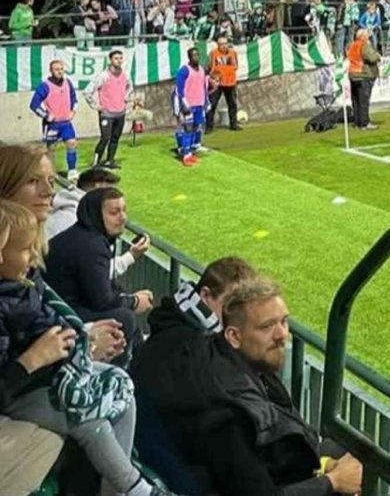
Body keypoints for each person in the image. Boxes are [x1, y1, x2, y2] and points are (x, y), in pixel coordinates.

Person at [0, 202, 165, 496]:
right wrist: (33, 359)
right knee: (87, 416)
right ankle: (134, 487)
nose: (35, 256)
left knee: (120, 384)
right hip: (22, 389)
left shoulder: (24, 283)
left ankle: (117, 490)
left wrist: (75, 341)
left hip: (48, 373)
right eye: (26, 249)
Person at [167, 277, 364, 496]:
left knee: (342, 453)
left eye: (284, 321)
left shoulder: (232, 361)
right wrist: (332, 481)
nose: (282, 335)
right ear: (234, 336)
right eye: (267, 326)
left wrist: (322, 464)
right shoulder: (229, 413)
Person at [131, 256, 257, 493]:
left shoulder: (173, 327)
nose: (237, 317)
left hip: (153, 450)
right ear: (206, 296)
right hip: (172, 466)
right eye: (231, 306)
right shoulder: (192, 348)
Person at [0, 146, 127, 366]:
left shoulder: (31, 258)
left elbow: (41, 323)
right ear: (6, 188)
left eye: (50, 181)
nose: (48, 191)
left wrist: (83, 337)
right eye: (33, 181)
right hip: (25, 388)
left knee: (119, 325)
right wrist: (79, 351)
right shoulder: (11, 267)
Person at [44, 188, 153, 352]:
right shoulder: (92, 245)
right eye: (114, 212)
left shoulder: (83, 235)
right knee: (124, 318)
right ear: (96, 214)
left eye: (124, 210)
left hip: (55, 307)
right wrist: (135, 301)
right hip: (58, 316)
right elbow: (102, 301)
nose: (123, 217)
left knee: (118, 292)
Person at [29, 59, 82, 178]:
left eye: (62, 69)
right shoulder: (45, 86)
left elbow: (74, 99)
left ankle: (72, 171)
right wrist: (46, 115)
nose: (60, 72)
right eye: (57, 69)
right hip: (52, 124)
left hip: (66, 123)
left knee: (72, 143)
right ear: (51, 71)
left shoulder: (68, 83)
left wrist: (73, 111)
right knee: (51, 149)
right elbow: (34, 104)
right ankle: (51, 172)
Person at [88, 49, 133, 168]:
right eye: (116, 58)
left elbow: (129, 87)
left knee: (115, 138)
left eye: (120, 58)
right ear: (110, 60)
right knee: (105, 138)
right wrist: (96, 106)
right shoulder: (103, 76)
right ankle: (96, 163)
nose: (119, 61)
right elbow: (88, 91)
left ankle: (110, 160)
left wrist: (126, 98)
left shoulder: (125, 74)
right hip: (106, 114)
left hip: (120, 113)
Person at [174, 47, 212, 166]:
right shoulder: (184, 70)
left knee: (196, 127)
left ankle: (191, 151)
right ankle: (185, 154)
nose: (196, 57)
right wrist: (183, 104)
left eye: (197, 55)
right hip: (189, 105)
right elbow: (179, 89)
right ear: (189, 57)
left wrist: (206, 101)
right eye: (193, 55)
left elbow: (204, 87)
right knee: (187, 128)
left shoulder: (201, 70)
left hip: (199, 104)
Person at [206, 36, 242, 133]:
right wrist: (213, 78)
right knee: (212, 105)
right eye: (221, 44)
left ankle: (233, 124)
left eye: (225, 43)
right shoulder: (213, 53)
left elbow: (236, 66)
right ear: (217, 45)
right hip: (217, 83)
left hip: (230, 82)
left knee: (233, 104)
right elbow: (208, 67)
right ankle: (209, 126)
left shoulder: (233, 53)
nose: (223, 46)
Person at [346, 27, 379, 130]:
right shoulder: (364, 45)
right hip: (363, 74)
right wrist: (377, 55)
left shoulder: (351, 45)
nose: (368, 37)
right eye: (367, 35)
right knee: (364, 101)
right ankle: (364, 123)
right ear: (363, 36)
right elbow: (371, 57)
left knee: (356, 101)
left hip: (353, 74)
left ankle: (357, 122)